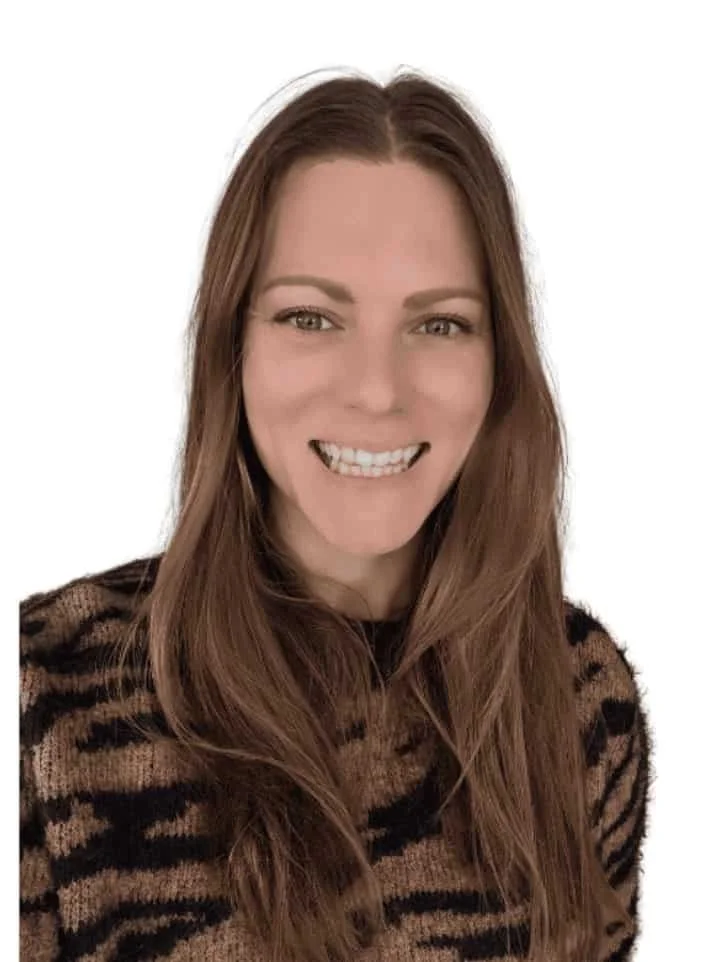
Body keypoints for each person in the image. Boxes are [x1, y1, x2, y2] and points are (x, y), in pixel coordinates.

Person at [20, 66, 654, 962]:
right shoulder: (51, 689)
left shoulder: (577, 698)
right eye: (311, 318)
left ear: (497, 361)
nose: (374, 392)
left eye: (438, 325)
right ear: (229, 349)